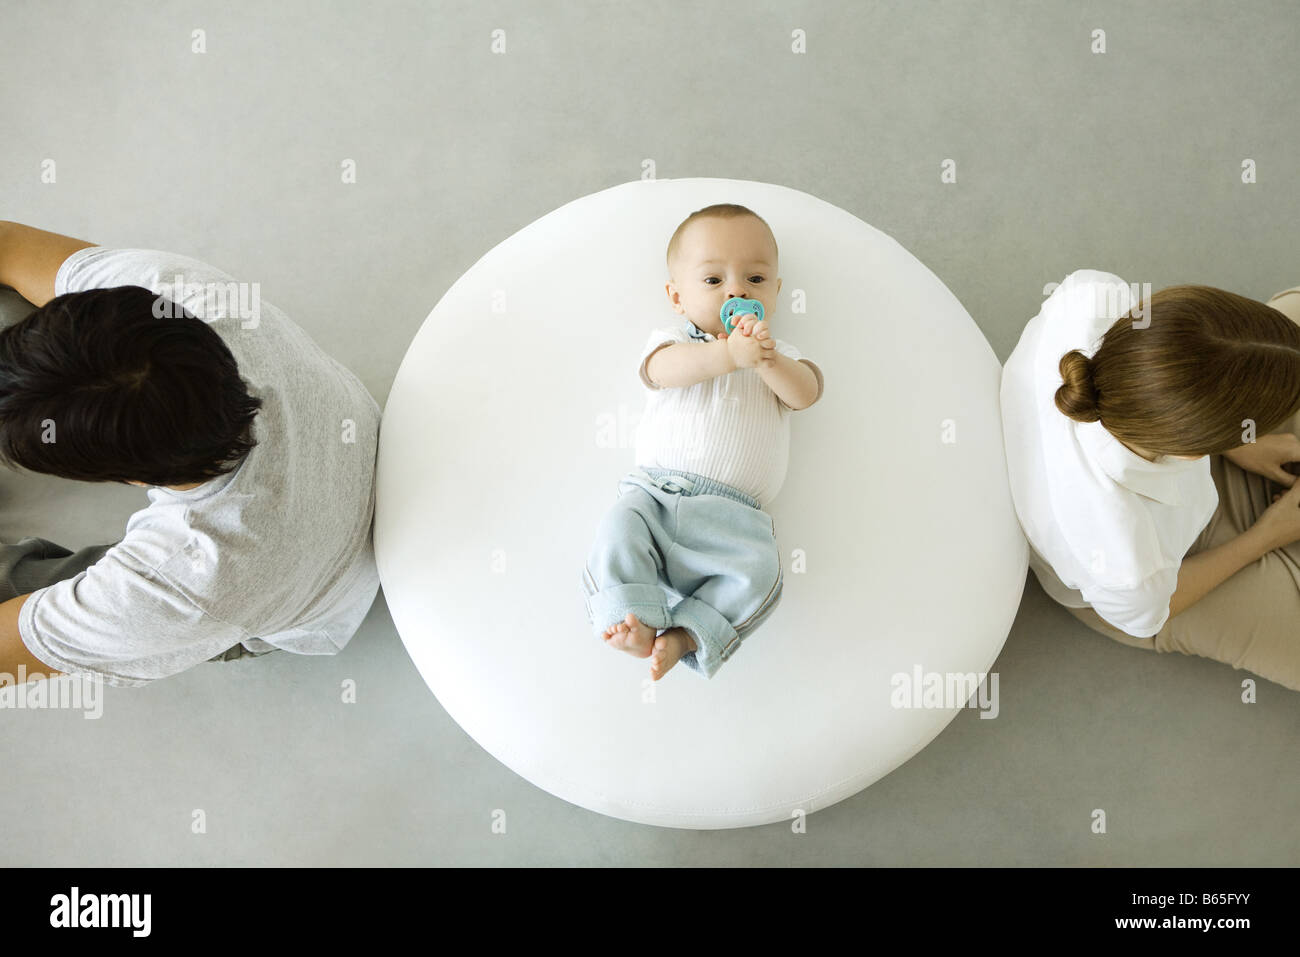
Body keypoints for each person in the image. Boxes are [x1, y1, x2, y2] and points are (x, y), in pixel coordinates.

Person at [0, 221, 381, 686]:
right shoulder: (183, 296)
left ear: (135, 480)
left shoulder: (182, 586)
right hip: (334, 458)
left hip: (290, 602)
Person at [1001, 269, 1300, 691]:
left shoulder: (1094, 299)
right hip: (1166, 584)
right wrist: (1267, 536)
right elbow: (1150, 612)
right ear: (1194, 452)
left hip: (1179, 444)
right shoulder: (1125, 565)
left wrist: (1241, 442)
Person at [580, 203, 824, 681]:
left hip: (735, 522)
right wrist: (727, 354)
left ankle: (687, 635)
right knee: (617, 528)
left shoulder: (780, 356)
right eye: (713, 281)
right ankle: (632, 616)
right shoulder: (675, 342)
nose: (736, 290)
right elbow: (659, 372)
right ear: (677, 296)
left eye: (754, 280)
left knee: (763, 574)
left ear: (774, 292)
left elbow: (806, 393)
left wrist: (765, 362)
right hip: (656, 495)